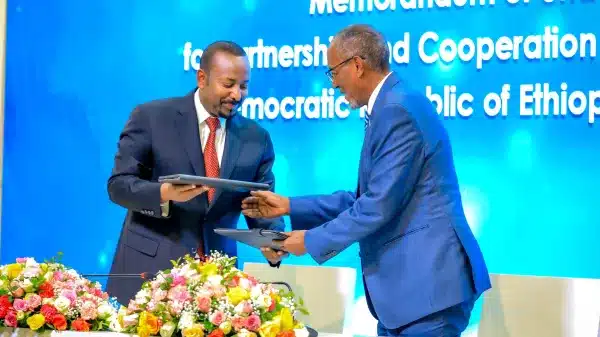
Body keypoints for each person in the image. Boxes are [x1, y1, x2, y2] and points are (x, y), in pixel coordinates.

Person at [242, 25, 491, 336]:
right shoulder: (392, 105)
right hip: (409, 298)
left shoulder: (396, 109)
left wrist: (307, 241)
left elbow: (376, 207)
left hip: (428, 292)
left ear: (357, 65)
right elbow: (363, 200)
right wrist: (288, 206)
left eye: (333, 72)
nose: (333, 84)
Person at [106, 40, 284, 306]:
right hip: (149, 274)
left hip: (216, 283)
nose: (237, 94)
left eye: (244, 86)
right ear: (202, 78)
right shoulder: (152, 118)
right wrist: (163, 193)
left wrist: (273, 239)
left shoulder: (256, 138)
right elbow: (119, 185)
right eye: (228, 84)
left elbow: (260, 202)